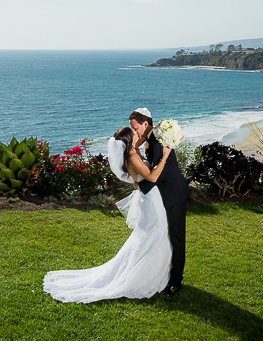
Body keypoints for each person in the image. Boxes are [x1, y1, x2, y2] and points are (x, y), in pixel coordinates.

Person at [42, 125, 172, 303]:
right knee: (153, 234)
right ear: (128, 140)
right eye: (134, 134)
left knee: (153, 235)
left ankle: (153, 273)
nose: (137, 134)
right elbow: (151, 177)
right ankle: (143, 276)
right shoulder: (132, 157)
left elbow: (140, 170)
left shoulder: (133, 152)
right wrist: (165, 157)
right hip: (150, 201)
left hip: (150, 198)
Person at [129, 107, 189, 295]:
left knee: (177, 239)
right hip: (164, 195)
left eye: (135, 127)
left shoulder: (156, 142)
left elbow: (158, 173)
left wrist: (140, 188)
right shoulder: (153, 139)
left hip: (174, 194)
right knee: (165, 236)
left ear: (145, 124)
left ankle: (176, 282)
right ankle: (163, 275)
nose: (134, 131)